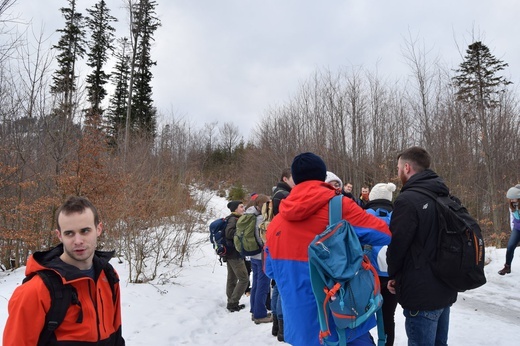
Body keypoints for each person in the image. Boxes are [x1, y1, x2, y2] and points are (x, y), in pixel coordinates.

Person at [265, 152, 391, 346]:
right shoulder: (340, 206)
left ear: (295, 179)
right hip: (341, 322)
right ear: (322, 175)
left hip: (301, 328)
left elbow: (270, 270)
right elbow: (384, 234)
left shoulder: (276, 223)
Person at [3, 196, 125, 345]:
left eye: (85, 231)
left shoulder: (108, 276)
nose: (78, 240)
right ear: (59, 235)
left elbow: (117, 337)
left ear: (98, 229)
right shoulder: (35, 291)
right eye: (69, 233)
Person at [387, 146, 458, 346]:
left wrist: (393, 275)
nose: (398, 172)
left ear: (407, 168)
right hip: (445, 289)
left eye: (399, 168)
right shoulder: (445, 195)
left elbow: (397, 245)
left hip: (421, 294)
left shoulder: (408, 200)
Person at [364, 182, 398, 346]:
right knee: (387, 316)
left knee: (361, 315)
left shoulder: (364, 215)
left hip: (367, 275)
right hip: (392, 275)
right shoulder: (399, 215)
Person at [269, 168, 295, 341]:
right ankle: (282, 329)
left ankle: (277, 327)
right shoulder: (283, 194)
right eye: (294, 178)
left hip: (276, 240)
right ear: (285, 178)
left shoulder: (277, 193)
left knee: (278, 287)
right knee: (281, 288)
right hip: (283, 242)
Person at [244, 194, 272, 324]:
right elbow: (263, 239)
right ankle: (260, 314)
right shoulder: (261, 219)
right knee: (263, 285)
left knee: (256, 283)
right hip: (262, 256)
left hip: (254, 255)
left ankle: (254, 310)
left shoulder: (250, 215)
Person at [223, 200, 249, 312]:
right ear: (235, 209)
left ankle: (231, 301)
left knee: (232, 278)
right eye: (241, 207)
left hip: (230, 253)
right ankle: (233, 303)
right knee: (244, 279)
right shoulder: (233, 219)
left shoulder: (232, 218)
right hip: (234, 254)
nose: (243, 209)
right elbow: (229, 233)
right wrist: (241, 233)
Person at [498, 184, 520, 275]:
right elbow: (512, 217)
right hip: (517, 229)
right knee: (510, 247)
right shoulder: (512, 206)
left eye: (514, 198)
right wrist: (512, 228)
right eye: (511, 199)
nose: (512, 200)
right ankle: (507, 267)